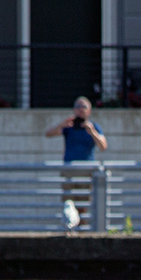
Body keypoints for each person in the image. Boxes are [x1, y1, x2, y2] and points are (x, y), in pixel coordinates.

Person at [44, 96, 108, 225]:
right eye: (77, 107)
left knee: (83, 205)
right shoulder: (69, 127)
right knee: (68, 203)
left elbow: (103, 146)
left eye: (83, 107)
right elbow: (48, 134)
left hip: (86, 171)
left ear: (89, 110)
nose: (80, 110)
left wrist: (92, 132)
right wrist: (62, 124)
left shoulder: (93, 127)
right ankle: (70, 229)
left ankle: (82, 232)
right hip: (69, 171)